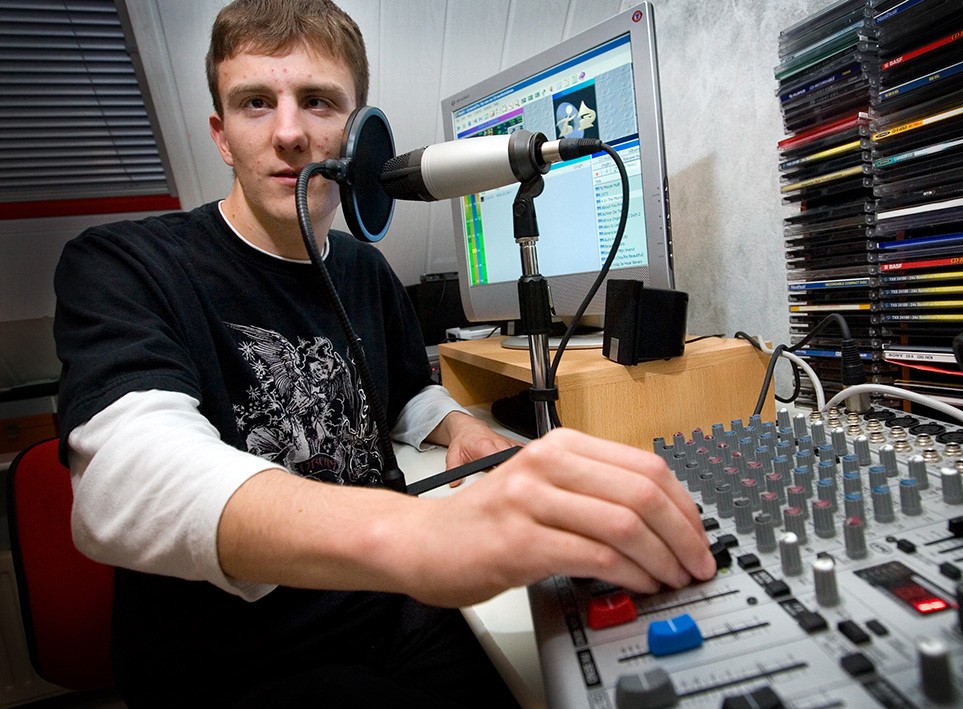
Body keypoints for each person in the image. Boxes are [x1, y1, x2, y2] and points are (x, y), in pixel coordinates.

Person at [52, 0, 717, 705]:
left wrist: (463, 429)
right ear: (220, 135)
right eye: (254, 102)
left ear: (357, 134)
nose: (288, 133)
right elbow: (124, 475)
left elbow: (403, 391)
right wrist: (422, 535)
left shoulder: (362, 268)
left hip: (387, 608)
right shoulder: (123, 264)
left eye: (317, 102)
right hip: (238, 655)